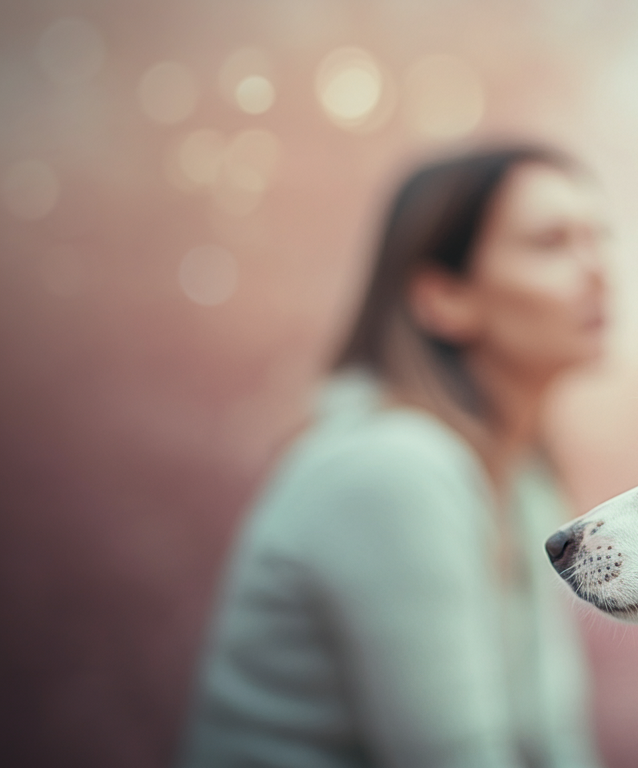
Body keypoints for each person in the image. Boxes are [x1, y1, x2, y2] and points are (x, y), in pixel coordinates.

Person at [179, 146, 609, 768]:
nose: (599, 269)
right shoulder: (395, 471)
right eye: (551, 242)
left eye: (600, 238)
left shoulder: (523, 478)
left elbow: (552, 739)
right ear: (443, 297)